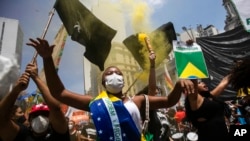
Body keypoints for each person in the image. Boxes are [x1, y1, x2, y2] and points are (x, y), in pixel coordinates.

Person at [27, 37, 195, 141]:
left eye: (118, 72)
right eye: (110, 73)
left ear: (122, 79)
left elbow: (168, 101)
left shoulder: (137, 100)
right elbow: (59, 93)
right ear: (103, 82)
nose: (114, 74)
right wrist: (47, 59)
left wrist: (180, 83)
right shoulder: (95, 102)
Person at [0, 61, 70, 141]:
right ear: (29, 120)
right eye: (35, 115)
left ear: (51, 119)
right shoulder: (22, 135)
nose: (40, 118)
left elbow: (56, 108)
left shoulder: (58, 134)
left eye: (44, 114)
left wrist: (36, 77)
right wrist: (16, 90)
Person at [184, 74, 231, 141]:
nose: (203, 82)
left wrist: (237, 71)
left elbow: (224, 82)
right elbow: (192, 81)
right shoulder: (194, 101)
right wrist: (192, 69)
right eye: (199, 83)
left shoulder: (209, 97)